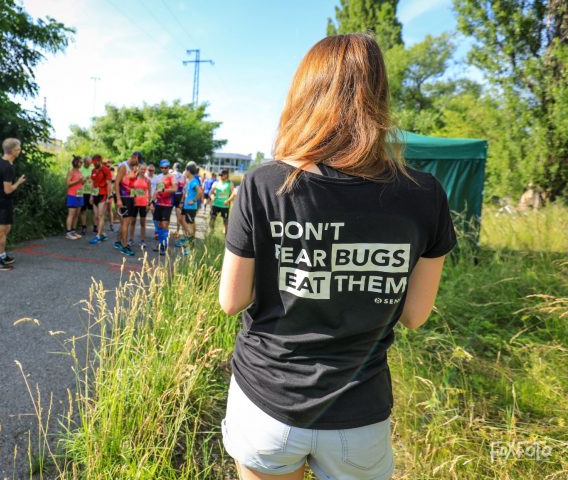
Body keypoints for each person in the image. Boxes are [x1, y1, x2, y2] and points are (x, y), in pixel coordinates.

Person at [218, 34, 456, 480]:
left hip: (268, 401)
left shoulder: (264, 183)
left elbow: (231, 301)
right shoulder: (424, 194)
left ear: (305, 94)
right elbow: (415, 315)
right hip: (359, 412)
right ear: (378, 98)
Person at [0, 138, 26, 271]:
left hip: (2, 200)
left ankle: (2, 255)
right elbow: (8, 189)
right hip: (2, 200)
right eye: (18, 149)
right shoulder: (7, 167)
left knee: (7, 228)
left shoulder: (0, 161)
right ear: (11, 151)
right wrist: (18, 183)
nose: (19, 151)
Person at [114, 151, 142, 256]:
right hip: (123, 197)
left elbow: (132, 185)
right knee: (126, 222)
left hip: (129, 197)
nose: (138, 164)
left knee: (126, 221)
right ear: (134, 157)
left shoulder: (133, 168)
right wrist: (118, 199)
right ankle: (125, 246)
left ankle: (118, 241)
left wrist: (134, 197)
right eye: (138, 161)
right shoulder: (123, 166)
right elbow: (117, 182)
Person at [152, 159, 178, 255]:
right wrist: (151, 201)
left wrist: (164, 189)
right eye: (162, 167)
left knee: (164, 224)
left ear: (168, 167)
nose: (163, 169)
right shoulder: (159, 177)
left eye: (165, 167)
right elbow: (157, 190)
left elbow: (175, 188)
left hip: (167, 204)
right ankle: (161, 243)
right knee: (158, 224)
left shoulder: (172, 177)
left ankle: (164, 245)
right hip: (159, 203)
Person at [177, 161, 202, 255]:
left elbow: (200, 192)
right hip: (186, 206)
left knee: (190, 226)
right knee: (181, 220)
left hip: (191, 207)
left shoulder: (194, 181)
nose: (184, 172)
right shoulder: (189, 181)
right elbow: (186, 193)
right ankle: (187, 240)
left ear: (188, 171)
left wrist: (194, 201)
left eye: (185, 170)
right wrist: (182, 202)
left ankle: (190, 248)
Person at [88, 154, 112, 245]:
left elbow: (109, 184)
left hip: (103, 194)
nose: (93, 164)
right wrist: (91, 196)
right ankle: (103, 233)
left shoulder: (106, 170)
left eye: (95, 162)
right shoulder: (93, 170)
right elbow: (93, 183)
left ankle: (98, 236)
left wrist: (109, 196)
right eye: (92, 163)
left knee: (100, 216)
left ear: (99, 161)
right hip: (95, 195)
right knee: (97, 216)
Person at [129, 163, 152, 249]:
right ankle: (131, 239)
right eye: (141, 169)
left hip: (143, 204)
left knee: (143, 223)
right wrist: (132, 201)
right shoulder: (133, 179)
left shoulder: (147, 180)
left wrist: (149, 203)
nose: (143, 171)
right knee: (133, 222)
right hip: (134, 204)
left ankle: (142, 241)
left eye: (144, 169)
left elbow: (149, 193)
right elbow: (132, 191)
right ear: (138, 169)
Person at [64, 155, 85, 240]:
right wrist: (78, 180)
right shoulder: (71, 172)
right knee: (71, 214)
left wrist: (84, 181)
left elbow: (81, 183)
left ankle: (73, 231)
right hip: (72, 195)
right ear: (76, 162)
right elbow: (68, 183)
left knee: (76, 214)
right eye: (80, 162)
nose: (81, 163)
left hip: (80, 194)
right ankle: (68, 232)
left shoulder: (80, 172)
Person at [209, 169, 235, 235]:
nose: (220, 177)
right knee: (212, 220)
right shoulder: (216, 183)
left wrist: (228, 200)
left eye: (222, 175)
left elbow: (234, 193)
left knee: (225, 222)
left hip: (224, 205)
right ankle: (211, 234)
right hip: (215, 204)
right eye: (220, 175)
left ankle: (225, 237)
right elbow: (211, 192)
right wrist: (212, 197)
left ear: (226, 175)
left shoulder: (230, 183)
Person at [78, 156, 93, 236]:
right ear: (84, 162)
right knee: (83, 210)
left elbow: (95, 180)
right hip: (82, 192)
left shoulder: (92, 168)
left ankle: (95, 226)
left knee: (94, 210)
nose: (89, 164)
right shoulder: (80, 170)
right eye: (88, 163)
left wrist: (92, 179)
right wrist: (85, 179)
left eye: (90, 163)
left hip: (91, 192)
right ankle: (84, 226)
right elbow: (79, 181)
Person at [172, 162, 185, 239]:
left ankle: (166, 231)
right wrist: (182, 201)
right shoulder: (182, 176)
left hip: (171, 195)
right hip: (179, 195)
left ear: (174, 167)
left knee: (167, 215)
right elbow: (184, 189)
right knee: (178, 215)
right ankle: (177, 231)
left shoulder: (171, 174)